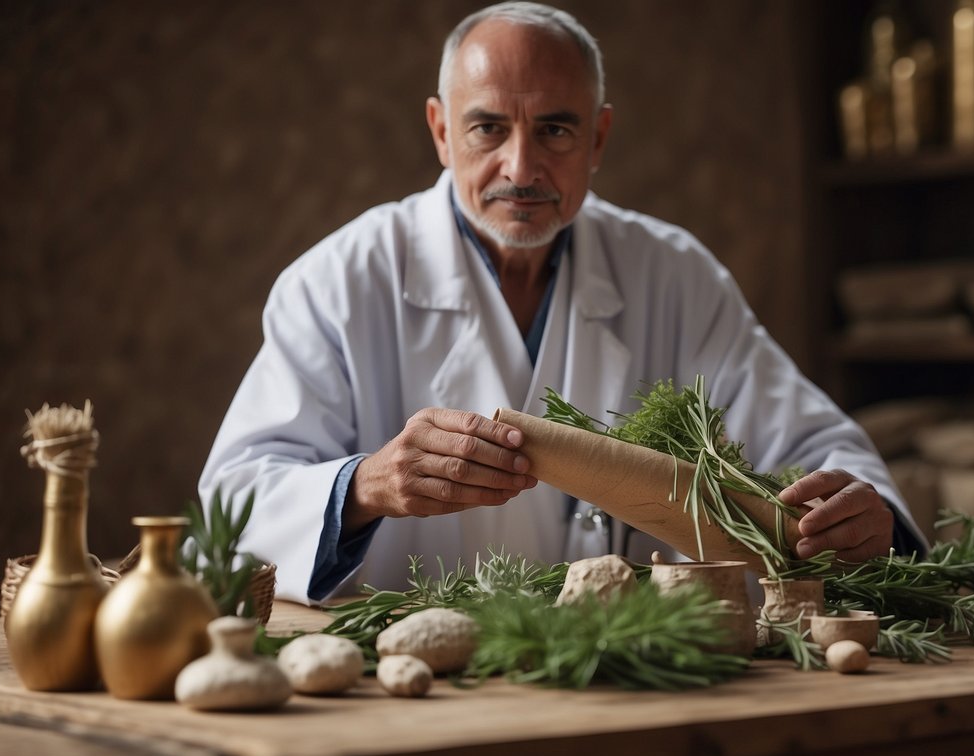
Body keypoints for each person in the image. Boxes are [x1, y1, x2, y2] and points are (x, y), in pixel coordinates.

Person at [199, 2, 927, 605]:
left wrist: (864, 520)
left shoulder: (672, 274)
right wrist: (364, 486)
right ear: (441, 132)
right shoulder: (341, 279)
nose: (521, 167)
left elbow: (805, 449)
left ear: (598, 137)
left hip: (628, 676)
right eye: (488, 127)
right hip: (411, 683)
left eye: (555, 129)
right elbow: (230, 508)